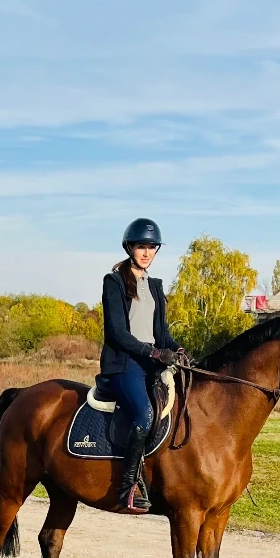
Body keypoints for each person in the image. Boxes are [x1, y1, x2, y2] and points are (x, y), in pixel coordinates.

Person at [98, 217, 183, 513]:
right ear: (129, 247)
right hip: (124, 364)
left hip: (150, 362)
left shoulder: (155, 286)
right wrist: (154, 353)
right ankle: (128, 488)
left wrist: (175, 348)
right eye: (140, 247)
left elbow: (162, 333)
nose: (146, 252)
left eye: (151, 247)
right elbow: (117, 333)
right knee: (145, 413)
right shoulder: (115, 281)